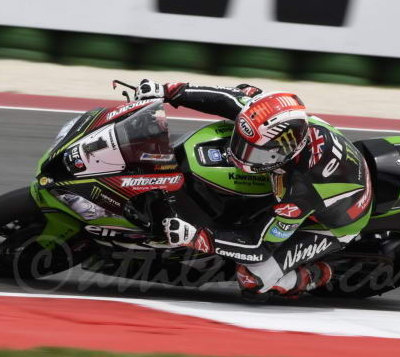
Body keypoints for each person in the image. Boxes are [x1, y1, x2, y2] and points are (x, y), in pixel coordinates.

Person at [135, 79, 373, 301]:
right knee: (246, 91)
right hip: (332, 174)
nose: (240, 155)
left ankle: (316, 275)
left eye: (255, 153)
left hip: (334, 223)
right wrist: (170, 91)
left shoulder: (299, 191)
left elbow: (259, 247)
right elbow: (228, 99)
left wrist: (198, 237)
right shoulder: (276, 124)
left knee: (253, 280)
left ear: (284, 150)